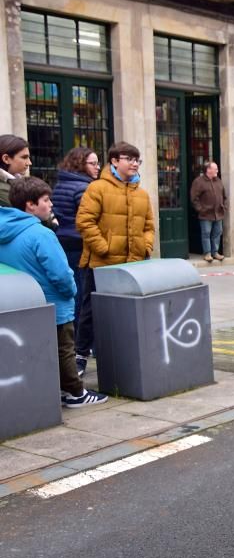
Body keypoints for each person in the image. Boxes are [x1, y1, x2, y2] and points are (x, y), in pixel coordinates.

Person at [0, 177, 108, 407]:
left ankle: (49, 389)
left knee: (37, 349)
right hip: (54, 302)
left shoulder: (5, 231)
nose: (51, 205)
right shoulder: (42, 234)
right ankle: (76, 394)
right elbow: (61, 273)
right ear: (30, 205)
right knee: (64, 350)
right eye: (46, 200)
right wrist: (71, 291)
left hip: (24, 303)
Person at [75, 141, 155, 376]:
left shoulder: (141, 193)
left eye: (136, 159)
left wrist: (146, 246)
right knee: (90, 312)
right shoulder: (97, 188)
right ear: (113, 161)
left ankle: (123, 354)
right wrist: (103, 247)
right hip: (101, 263)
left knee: (127, 311)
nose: (133, 163)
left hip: (133, 263)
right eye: (128, 158)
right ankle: (80, 356)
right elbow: (85, 222)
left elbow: (149, 226)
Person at [51, 147, 99, 331]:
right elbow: (88, 219)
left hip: (63, 241)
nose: (97, 167)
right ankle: (82, 334)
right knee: (82, 291)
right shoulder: (84, 188)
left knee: (73, 289)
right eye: (92, 163)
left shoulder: (61, 184)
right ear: (80, 164)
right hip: (80, 243)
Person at [190, 161, 227, 263]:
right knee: (206, 233)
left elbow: (224, 196)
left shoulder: (218, 181)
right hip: (206, 214)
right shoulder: (199, 182)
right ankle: (207, 253)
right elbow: (194, 198)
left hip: (218, 213)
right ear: (208, 170)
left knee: (217, 233)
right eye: (215, 169)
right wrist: (200, 209)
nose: (217, 171)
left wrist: (224, 206)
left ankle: (215, 252)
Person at [0, 134, 30, 207]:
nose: (29, 163)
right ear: (6, 159)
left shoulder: (17, 180)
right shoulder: (3, 188)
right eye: (24, 157)